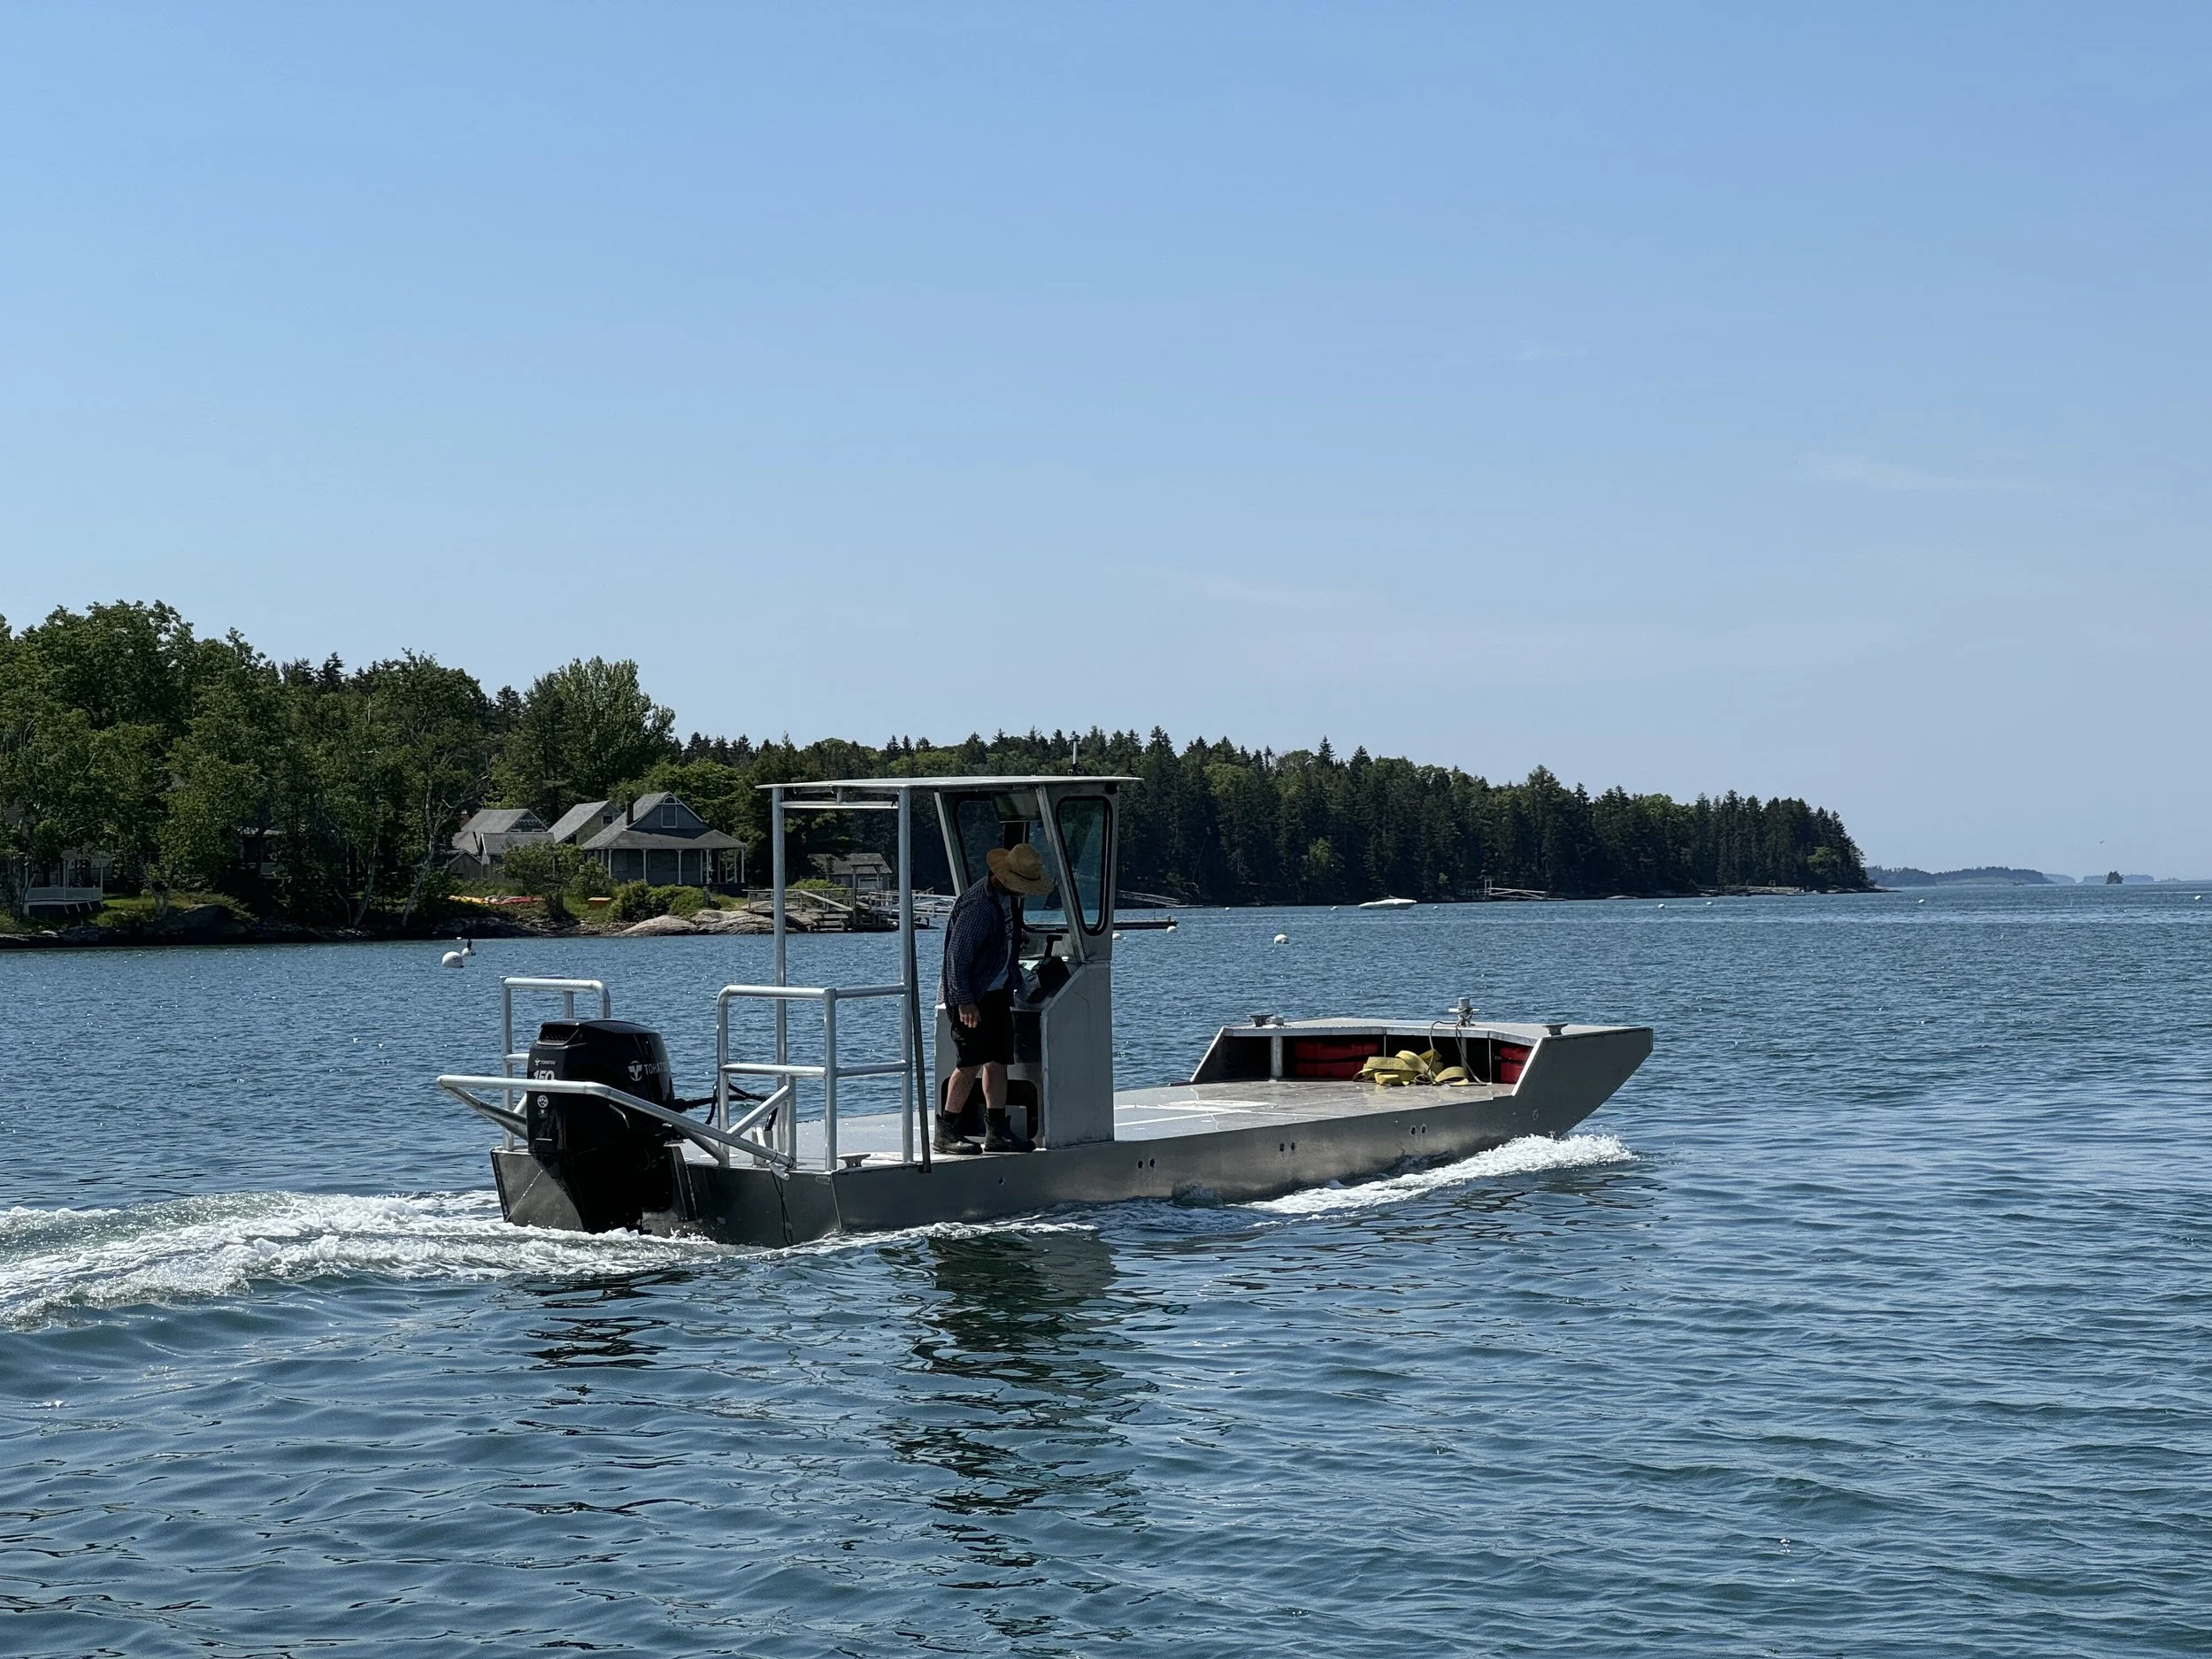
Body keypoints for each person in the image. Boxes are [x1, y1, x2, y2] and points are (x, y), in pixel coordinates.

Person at [938, 841, 1054, 1153]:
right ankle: (946, 1130)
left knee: (998, 1061)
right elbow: (957, 958)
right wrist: (964, 1000)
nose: (1023, 892)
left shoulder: (1005, 901)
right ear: (1004, 878)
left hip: (998, 993)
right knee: (970, 1062)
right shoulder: (977, 907)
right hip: (974, 996)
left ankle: (997, 1130)